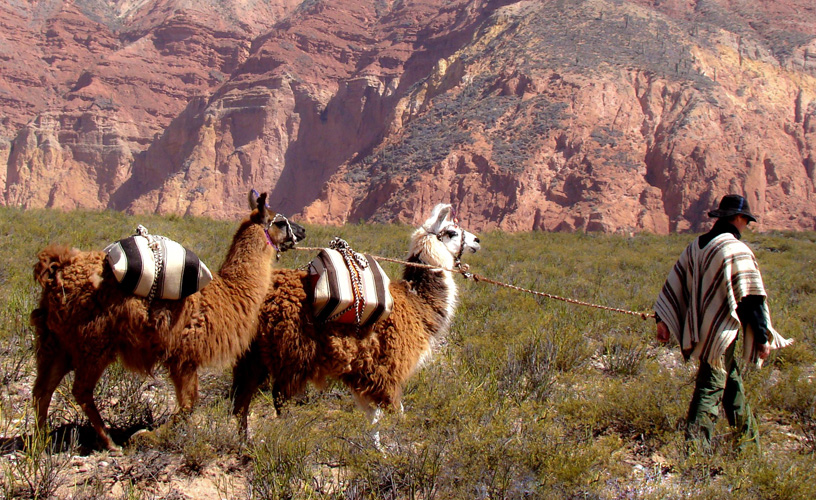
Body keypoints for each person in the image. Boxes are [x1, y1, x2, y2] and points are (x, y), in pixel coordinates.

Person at [654, 194, 793, 453]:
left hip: (702, 327)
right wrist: (762, 337)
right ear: (738, 218)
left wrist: (663, 319)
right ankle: (695, 453)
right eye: (746, 220)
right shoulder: (734, 249)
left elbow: (675, 285)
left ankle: (749, 446)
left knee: (732, 383)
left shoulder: (696, 246)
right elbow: (751, 299)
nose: (746, 226)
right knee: (711, 386)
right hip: (720, 331)